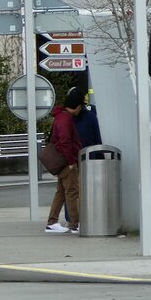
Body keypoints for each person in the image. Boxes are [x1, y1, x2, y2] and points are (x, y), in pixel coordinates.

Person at [46, 87, 84, 234]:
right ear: (77, 106)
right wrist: (70, 162)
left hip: (62, 161)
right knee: (72, 192)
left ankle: (52, 222)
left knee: (61, 192)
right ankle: (75, 224)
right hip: (66, 162)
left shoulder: (60, 117)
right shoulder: (65, 119)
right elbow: (65, 141)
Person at [62, 95, 102, 225]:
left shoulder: (66, 118)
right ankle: (76, 219)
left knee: (71, 191)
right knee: (76, 191)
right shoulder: (89, 117)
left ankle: (74, 219)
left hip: (79, 158)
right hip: (78, 159)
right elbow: (97, 137)